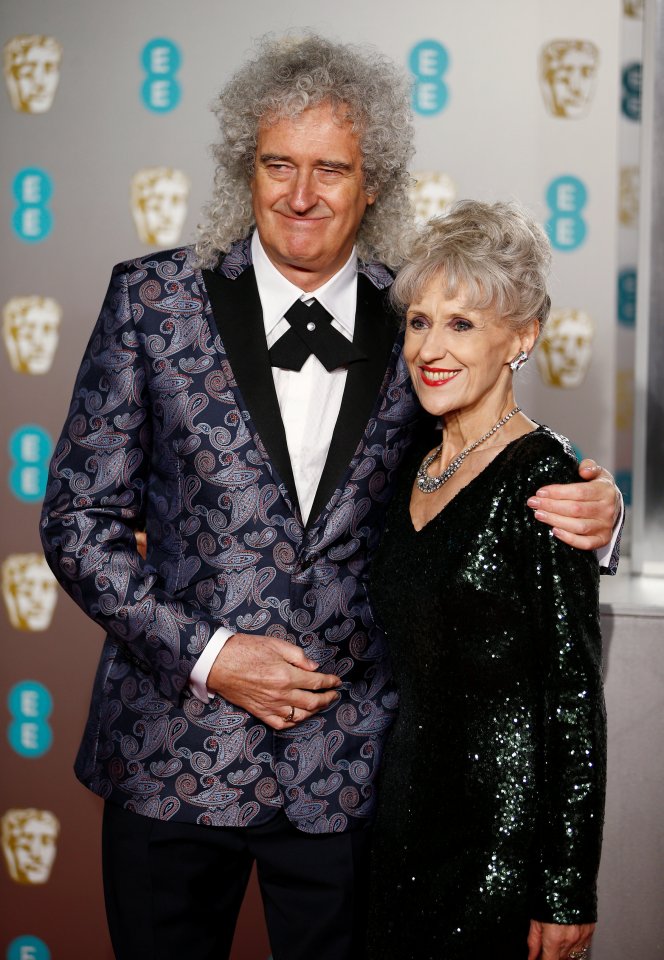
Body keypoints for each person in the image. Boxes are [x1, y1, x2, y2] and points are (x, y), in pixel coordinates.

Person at [39, 35, 618, 960]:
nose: (300, 194)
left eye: (330, 169)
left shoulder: (415, 312)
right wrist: (212, 655)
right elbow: (78, 522)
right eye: (278, 164)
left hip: (352, 776)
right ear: (248, 168)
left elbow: (484, 456)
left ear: (372, 183)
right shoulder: (153, 300)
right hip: (170, 757)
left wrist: (601, 507)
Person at [367, 201, 606, 960]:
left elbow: (572, 696)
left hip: (497, 856)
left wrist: (565, 885)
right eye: (419, 322)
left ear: (522, 338)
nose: (430, 348)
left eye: (462, 324)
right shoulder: (412, 463)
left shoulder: (546, 479)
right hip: (395, 832)